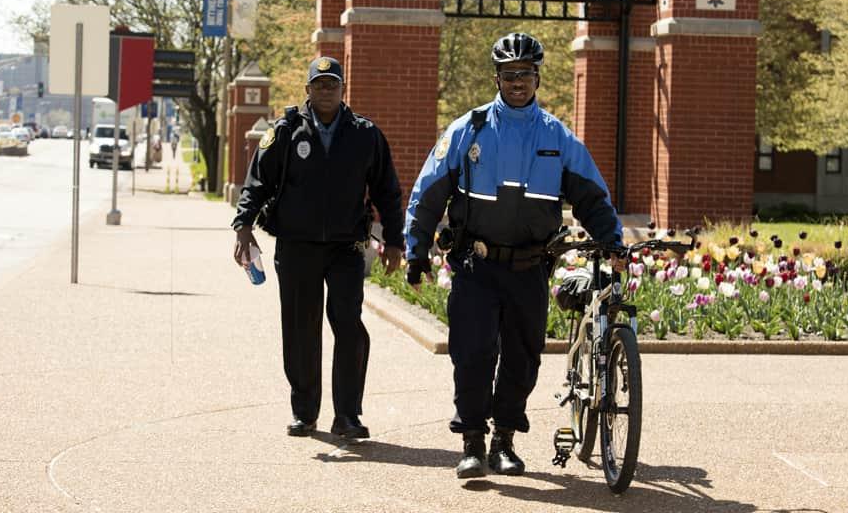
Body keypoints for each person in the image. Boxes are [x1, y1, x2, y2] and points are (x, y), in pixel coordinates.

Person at [404, 33, 624, 479]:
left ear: (537, 77)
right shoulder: (470, 128)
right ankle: (472, 442)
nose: (517, 82)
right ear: (497, 78)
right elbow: (428, 193)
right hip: (476, 265)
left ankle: (504, 438)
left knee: (523, 358)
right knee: (473, 353)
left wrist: (613, 241)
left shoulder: (557, 137)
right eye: (509, 75)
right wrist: (416, 250)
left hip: (528, 267)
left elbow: (592, 198)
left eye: (525, 74)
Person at [232, 56, 405, 440]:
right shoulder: (287, 131)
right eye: (319, 84)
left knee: (348, 327)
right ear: (308, 90)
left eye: (333, 84)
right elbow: (257, 181)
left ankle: (347, 415)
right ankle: (305, 412)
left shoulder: (365, 134)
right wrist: (243, 226)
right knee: (300, 329)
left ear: (343, 90)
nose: (326, 90)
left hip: (346, 247)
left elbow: (387, 191)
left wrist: (395, 239)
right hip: (296, 247)